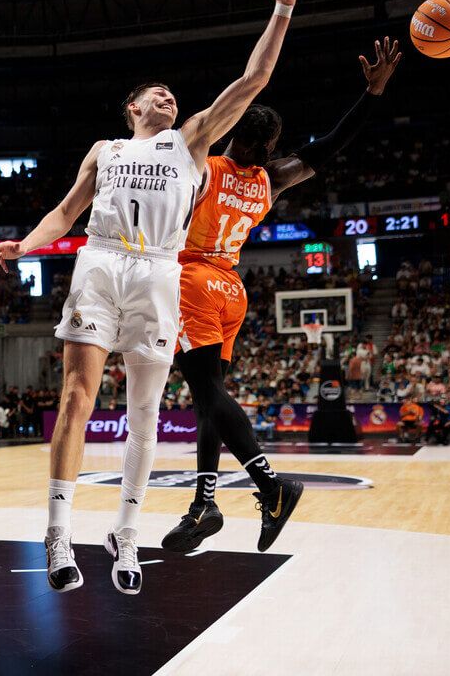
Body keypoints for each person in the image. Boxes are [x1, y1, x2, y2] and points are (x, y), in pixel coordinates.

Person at [0, 0, 299, 595]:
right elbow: (64, 212)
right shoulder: (105, 150)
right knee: (77, 398)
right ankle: (58, 532)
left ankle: (125, 535)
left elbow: (254, 78)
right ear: (132, 106)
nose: (170, 97)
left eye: (173, 94)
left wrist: (282, 10)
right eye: (156, 92)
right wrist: (24, 244)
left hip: (160, 270)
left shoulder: (191, 141)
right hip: (101, 261)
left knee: (146, 414)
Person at [162, 38, 401, 554]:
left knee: (207, 397)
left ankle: (271, 488)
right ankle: (204, 504)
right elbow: (332, 145)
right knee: (212, 401)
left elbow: (198, 138)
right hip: (231, 290)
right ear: (269, 149)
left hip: (193, 281)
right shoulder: (271, 180)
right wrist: (372, 94)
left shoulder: (205, 168)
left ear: (233, 137)